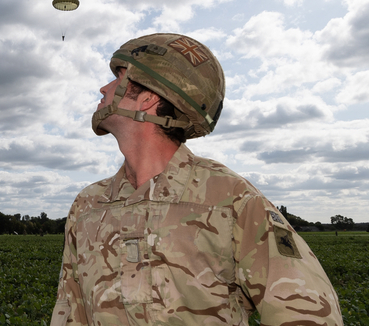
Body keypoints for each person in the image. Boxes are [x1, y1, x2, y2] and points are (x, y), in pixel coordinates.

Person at [50, 33, 342, 325]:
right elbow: (69, 311)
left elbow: (309, 312)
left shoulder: (230, 199)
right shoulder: (88, 205)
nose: (104, 87)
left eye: (119, 78)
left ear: (148, 97)